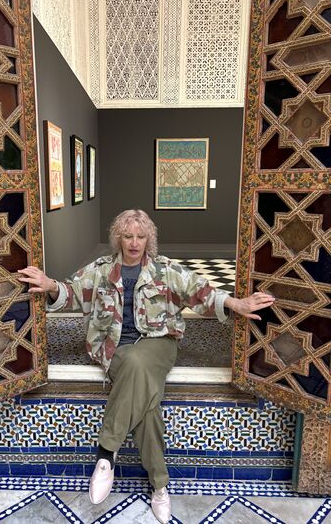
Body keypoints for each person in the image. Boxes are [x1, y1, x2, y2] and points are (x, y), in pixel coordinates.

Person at [18, 209, 274, 524]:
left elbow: (201, 292)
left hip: (159, 344)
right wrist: (49, 284)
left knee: (139, 362)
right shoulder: (101, 270)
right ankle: (160, 486)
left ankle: (105, 454)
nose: (134, 243)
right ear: (119, 238)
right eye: (128, 236)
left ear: (148, 239)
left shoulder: (165, 270)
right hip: (113, 348)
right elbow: (70, 294)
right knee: (148, 404)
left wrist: (236, 303)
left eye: (140, 236)